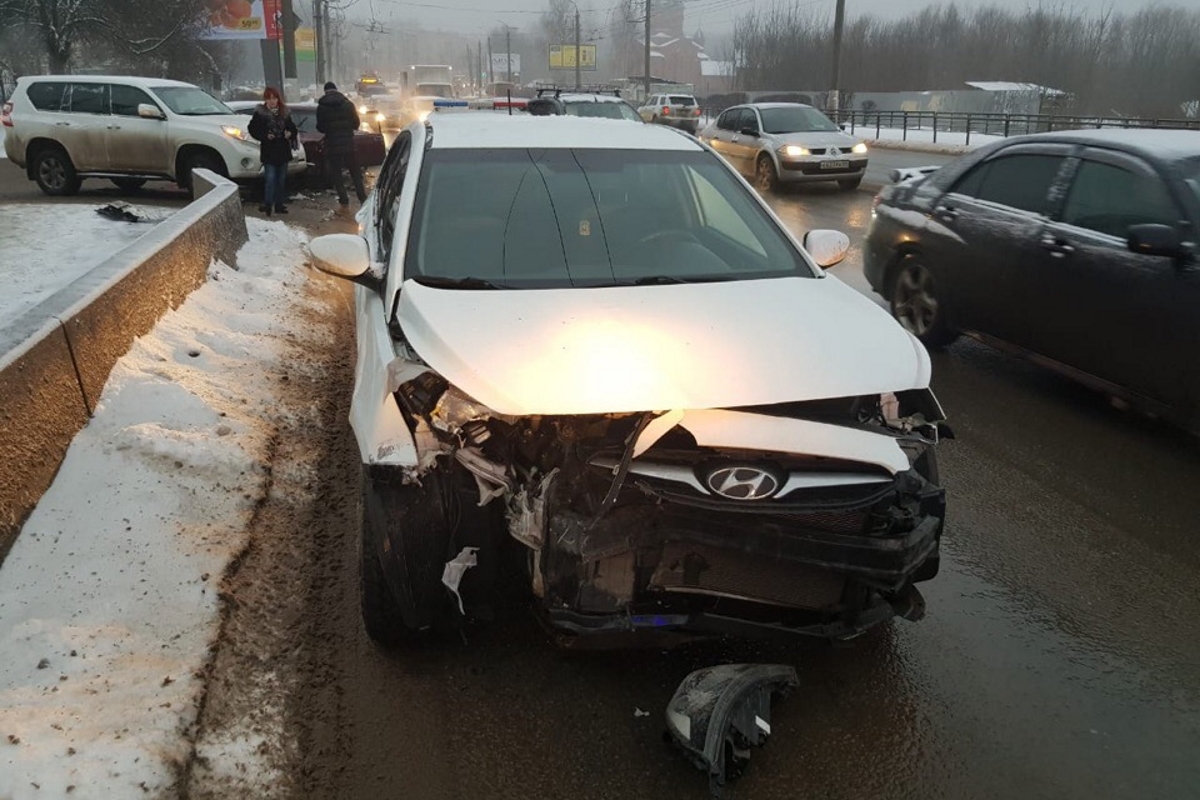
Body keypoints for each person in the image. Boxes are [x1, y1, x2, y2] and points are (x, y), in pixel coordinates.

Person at [247, 86, 298, 216]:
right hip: (269, 151)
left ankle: (279, 204)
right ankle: (268, 204)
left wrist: (289, 133)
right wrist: (264, 136)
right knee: (270, 178)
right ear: (265, 99)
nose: (272, 101)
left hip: (283, 151)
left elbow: (293, 128)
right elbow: (253, 129)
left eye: (274, 98)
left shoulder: (284, 113)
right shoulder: (260, 114)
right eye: (269, 98)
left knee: (281, 179)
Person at [316, 81, 367, 207]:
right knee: (355, 172)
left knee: (336, 173)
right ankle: (363, 198)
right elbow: (356, 123)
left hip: (332, 144)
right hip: (349, 143)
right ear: (336, 89)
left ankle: (344, 199)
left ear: (325, 91)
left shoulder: (321, 107)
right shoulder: (348, 104)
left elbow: (320, 127)